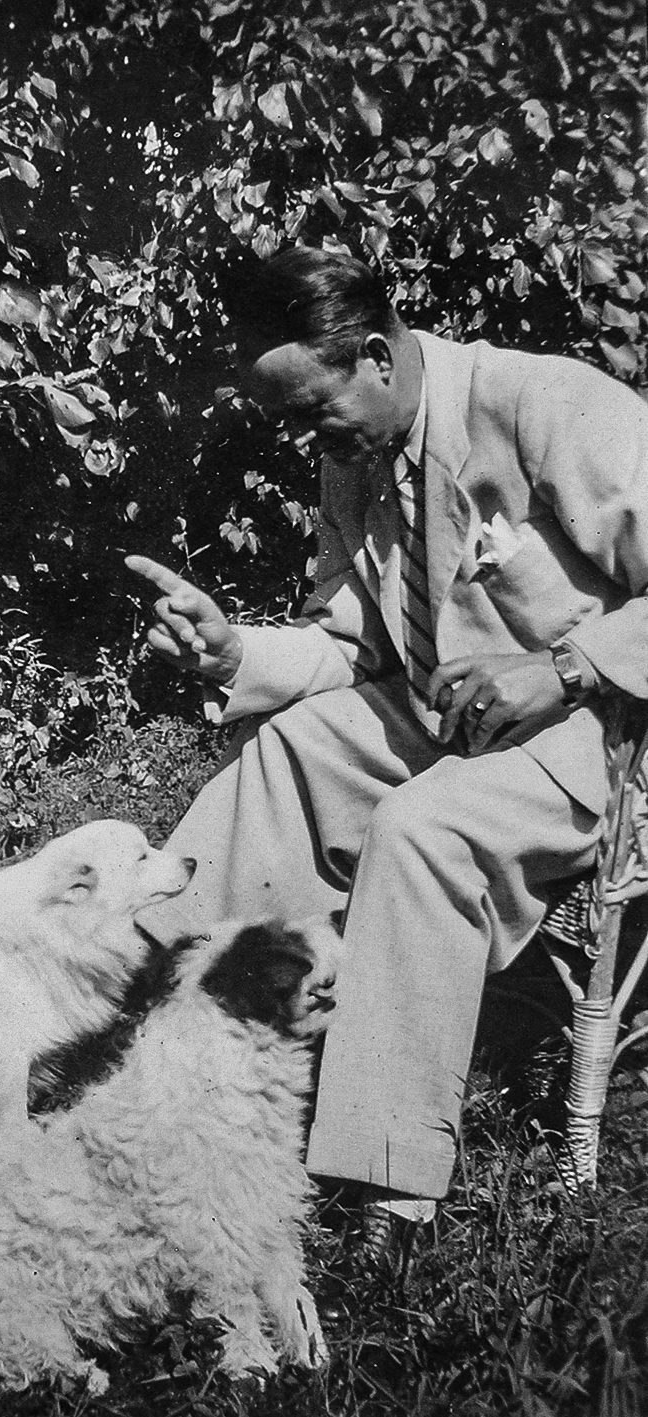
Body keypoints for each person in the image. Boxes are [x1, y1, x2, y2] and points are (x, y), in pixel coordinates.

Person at [126, 244, 648, 1231]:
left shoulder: (537, 402)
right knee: (287, 759)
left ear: (375, 353)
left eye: (312, 411)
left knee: (419, 830)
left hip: (613, 724)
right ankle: (129, 999)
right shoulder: (354, 453)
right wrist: (229, 654)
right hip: (468, 712)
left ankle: (388, 1187)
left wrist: (566, 669)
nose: (302, 440)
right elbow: (354, 647)